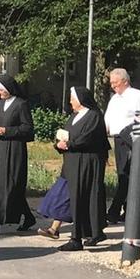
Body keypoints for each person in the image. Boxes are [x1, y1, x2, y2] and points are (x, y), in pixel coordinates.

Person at [0, 73, 37, 236]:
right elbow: (0, 123)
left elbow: (28, 129)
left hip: (16, 148)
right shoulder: (0, 104)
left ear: (8, 89)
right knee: (6, 185)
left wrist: (7, 131)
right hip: (1, 147)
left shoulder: (21, 104)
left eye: (0, 90)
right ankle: (28, 217)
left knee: (11, 184)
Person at [55, 87, 108, 251]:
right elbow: (65, 134)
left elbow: (87, 138)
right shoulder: (74, 116)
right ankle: (88, 232)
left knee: (87, 197)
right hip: (73, 161)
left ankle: (77, 238)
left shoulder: (94, 116)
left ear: (81, 99)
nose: (70, 101)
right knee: (76, 198)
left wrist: (68, 144)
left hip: (88, 162)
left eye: (72, 98)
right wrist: (58, 143)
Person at [103, 68, 140, 225]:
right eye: (111, 83)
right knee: (123, 175)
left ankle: (114, 211)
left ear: (125, 81)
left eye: (115, 83)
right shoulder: (114, 99)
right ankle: (125, 209)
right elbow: (108, 120)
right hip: (118, 140)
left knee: (129, 176)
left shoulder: (137, 95)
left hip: (133, 140)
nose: (113, 86)